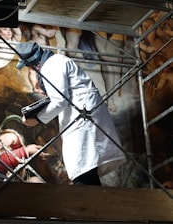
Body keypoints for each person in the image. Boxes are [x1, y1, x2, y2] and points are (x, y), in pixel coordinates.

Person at [16, 42, 126, 186]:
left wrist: (36, 118)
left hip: (83, 116)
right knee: (85, 167)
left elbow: (59, 100)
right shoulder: (56, 62)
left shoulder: (51, 65)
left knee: (83, 167)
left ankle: (91, 203)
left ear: (33, 63)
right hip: (82, 113)